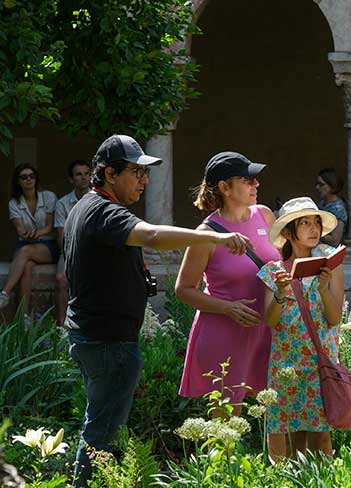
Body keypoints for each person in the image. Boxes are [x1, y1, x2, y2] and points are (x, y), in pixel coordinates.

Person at [64, 135, 252, 487]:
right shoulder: (104, 211)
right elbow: (150, 236)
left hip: (97, 337)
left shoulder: (86, 207)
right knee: (101, 434)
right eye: (136, 172)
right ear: (108, 174)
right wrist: (215, 237)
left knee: (99, 427)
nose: (144, 181)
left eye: (145, 173)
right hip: (108, 342)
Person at [177, 152, 280, 412]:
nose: (256, 184)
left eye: (255, 179)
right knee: (226, 425)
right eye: (247, 180)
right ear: (224, 187)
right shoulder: (207, 233)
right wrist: (228, 307)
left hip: (267, 329)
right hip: (224, 332)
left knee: (276, 416)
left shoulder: (265, 215)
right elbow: (183, 289)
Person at [257, 196, 344, 461]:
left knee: (321, 434)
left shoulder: (331, 263)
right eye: (304, 223)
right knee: (290, 432)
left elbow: (334, 317)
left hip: (320, 361)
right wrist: (281, 292)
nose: (313, 228)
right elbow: (270, 321)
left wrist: (322, 289)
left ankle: (324, 480)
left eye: (316, 222)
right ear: (287, 232)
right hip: (287, 365)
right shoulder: (273, 271)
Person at [0, 164, 58, 310]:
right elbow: (20, 229)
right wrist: (27, 235)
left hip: (48, 245)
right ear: (18, 181)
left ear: (36, 178)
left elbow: (49, 227)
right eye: (24, 177)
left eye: (32, 176)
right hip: (26, 242)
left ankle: (4, 294)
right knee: (26, 267)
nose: (28, 179)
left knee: (25, 252)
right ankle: (25, 318)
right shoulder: (14, 203)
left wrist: (38, 233)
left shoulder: (49, 196)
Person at [54, 160, 91, 325]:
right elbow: (62, 238)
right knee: (61, 279)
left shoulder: (98, 200)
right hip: (69, 251)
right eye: (78, 174)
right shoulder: (63, 203)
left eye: (86, 174)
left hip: (94, 251)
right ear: (71, 179)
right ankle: (62, 325)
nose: (83, 178)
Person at [315, 168, 347, 246]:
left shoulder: (338, 209)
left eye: (321, 184)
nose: (317, 187)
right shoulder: (322, 203)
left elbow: (335, 241)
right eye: (317, 184)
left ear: (332, 186)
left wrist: (315, 233)